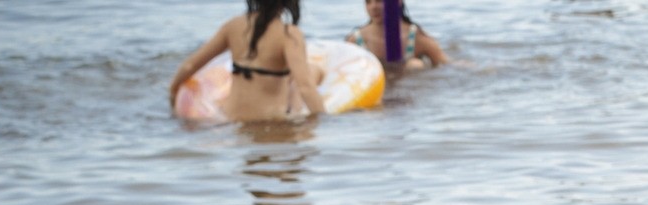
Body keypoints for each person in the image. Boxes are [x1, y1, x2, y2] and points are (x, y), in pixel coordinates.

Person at [168, 0, 325, 122]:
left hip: (231, 118)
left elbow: (190, 65)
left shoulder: (233, 26)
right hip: (271, 121)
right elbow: (305, 87)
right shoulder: (289, 34)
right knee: (312, 70)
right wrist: (325, 121)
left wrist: (173, 91)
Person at [347, 0, 448, 69]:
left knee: (415, 65)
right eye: (368, 2)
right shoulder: (356, 40)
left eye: (379, 1)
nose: (373, 7)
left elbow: (445, 65)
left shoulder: (415, 37)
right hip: (376, 89)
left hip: (408, 88)